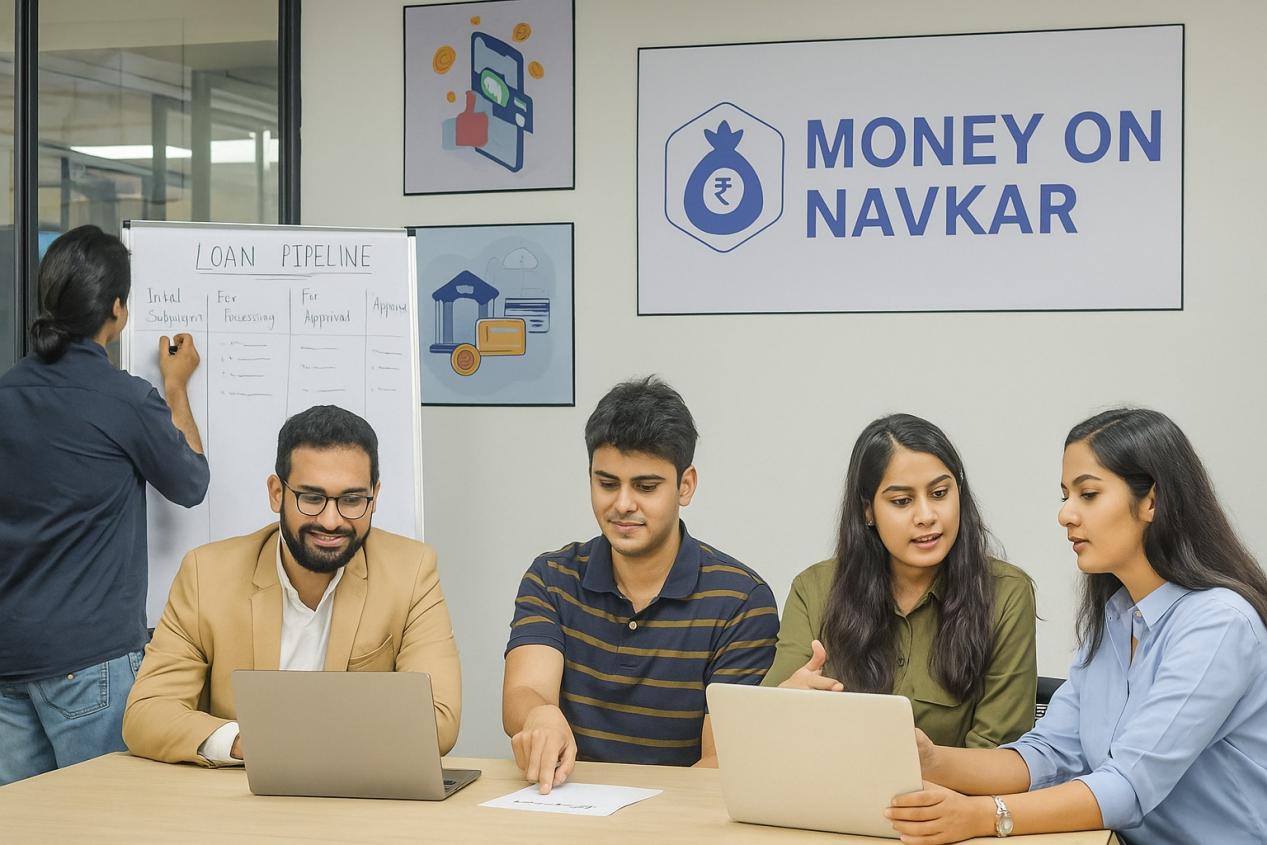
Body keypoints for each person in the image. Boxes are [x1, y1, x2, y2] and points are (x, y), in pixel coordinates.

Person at [888, 409, 1267, 845]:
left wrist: (982, 815)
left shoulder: (1220, 624)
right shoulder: (1117, 617)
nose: (1065, 514)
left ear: (1151, 501)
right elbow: (1048, 754)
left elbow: (1127, 787)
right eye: (1066, 495)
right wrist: (929, 759)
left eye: (1088, 494)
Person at [122, 404, 461, 765]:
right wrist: (248, 743)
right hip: (240, 790)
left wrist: (294, 740)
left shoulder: (411, 572)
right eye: (312, 498)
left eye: (351, 500)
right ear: (276, 493)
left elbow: (437, 721)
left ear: (374, 497)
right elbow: (147, 712)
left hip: (359, 793)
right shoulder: (206, 574)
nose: (330, 521)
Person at [0, 226, 208, 785]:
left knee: (19, 823)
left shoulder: (6, 393)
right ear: (117, 308)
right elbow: (191, 482)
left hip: (8, 657)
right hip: (89, 661)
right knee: (104, 817)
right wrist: (176, 387)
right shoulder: (123, 398)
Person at [502, 376, 778, 792]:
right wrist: (539, 715)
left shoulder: (741, 601)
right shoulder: (552, 578)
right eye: (607, 484)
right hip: (564, 805)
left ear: (686, 486)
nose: (623, 504)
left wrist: (638, 817)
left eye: (646, 487)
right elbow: (524, 691)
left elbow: (719, 760)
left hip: (676, 815)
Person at [763, 414, 1036, 749]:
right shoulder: (814, 589)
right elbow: (762, 733)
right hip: (829, 781)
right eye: (902, 501)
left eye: (939, 493)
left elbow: (997, 754)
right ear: (867, 511)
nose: (926, 516)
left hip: (947, 785)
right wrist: (783, 704)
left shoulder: (1005, 593)